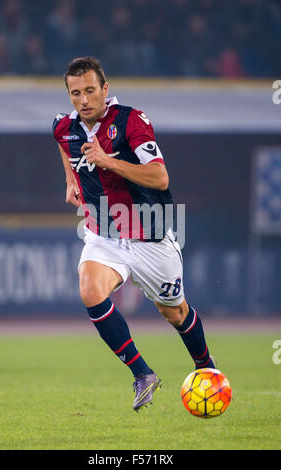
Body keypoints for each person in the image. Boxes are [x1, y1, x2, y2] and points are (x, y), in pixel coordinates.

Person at [53, 56, 215, 412]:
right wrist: (70, 180)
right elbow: (62, 141)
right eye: (75, 93)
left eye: (90, 91)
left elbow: (160, 178)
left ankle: (207, 370)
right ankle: (142, 373)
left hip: (150, 236)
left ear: (105, 89)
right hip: (104, 234)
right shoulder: (65, 127)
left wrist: (106, 159)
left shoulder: (131, 121)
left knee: (173, 313)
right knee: (90, 290)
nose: (83, 100)